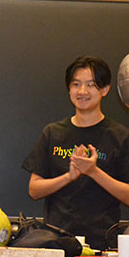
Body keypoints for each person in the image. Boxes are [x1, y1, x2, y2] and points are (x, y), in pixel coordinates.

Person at [22, 55, 129, 250]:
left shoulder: (120, 137)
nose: (82, 91)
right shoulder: (53, 133)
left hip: (102, 244)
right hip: (55, 242)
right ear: (69, 89)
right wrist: (69, 176)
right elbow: (34, 190)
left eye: (91, 85)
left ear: (105, 90)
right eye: (76, 84)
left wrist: (93, 172)